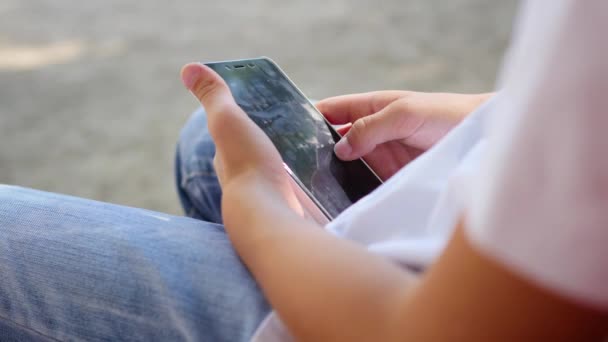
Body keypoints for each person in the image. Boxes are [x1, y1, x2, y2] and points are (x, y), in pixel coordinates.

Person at [1, 0, 607, 340]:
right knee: (209, 142)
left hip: (396, 314)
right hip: (466, 251)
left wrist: (257, 207)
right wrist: (485, 123)